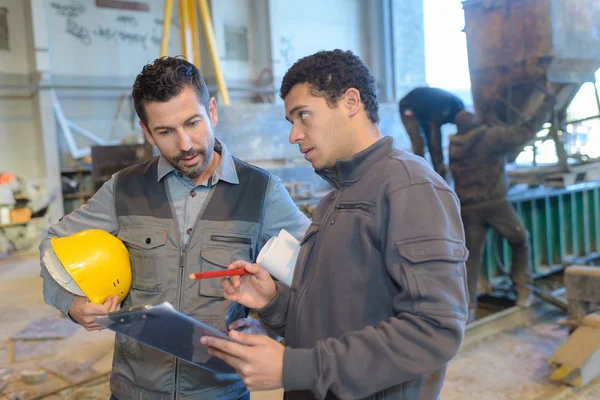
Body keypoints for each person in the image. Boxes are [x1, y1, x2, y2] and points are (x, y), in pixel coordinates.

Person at [200, 49, 469, 400]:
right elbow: (333, 319)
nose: (294, 135)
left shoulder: (409, 186)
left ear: (351, 102)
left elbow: (435, 329)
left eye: (303, 116)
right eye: (290, 122)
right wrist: (273, 303)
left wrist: (295, 368)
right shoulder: (333, 200)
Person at [39, 56, 310, 400]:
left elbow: (315, 273)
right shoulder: (124, 189)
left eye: (193, 123)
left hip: (221, 393)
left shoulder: (262, 192)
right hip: (133, 391)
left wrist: (273, 326)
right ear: (146, 131)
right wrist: (70, 303)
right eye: (166, 132)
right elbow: (52, 244)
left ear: (212, 111)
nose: (185, 144)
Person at [448, 97, 552, 322]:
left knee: (471, 259)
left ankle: (467, 312)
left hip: (468, 207)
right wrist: (545, 105)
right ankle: (524, 292)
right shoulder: (489, 137)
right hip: (495, 203)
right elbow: (524, 132)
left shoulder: (455, 145)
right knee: (520, 239)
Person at [399, 87, 466, 178]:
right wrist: (440, 163)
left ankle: (436, 166)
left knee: (431, 136)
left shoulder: (458, 107)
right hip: (408, 107)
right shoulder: (444, 105)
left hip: (425, 112)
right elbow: (436, 134)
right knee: (418, 141)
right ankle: (420, 170)